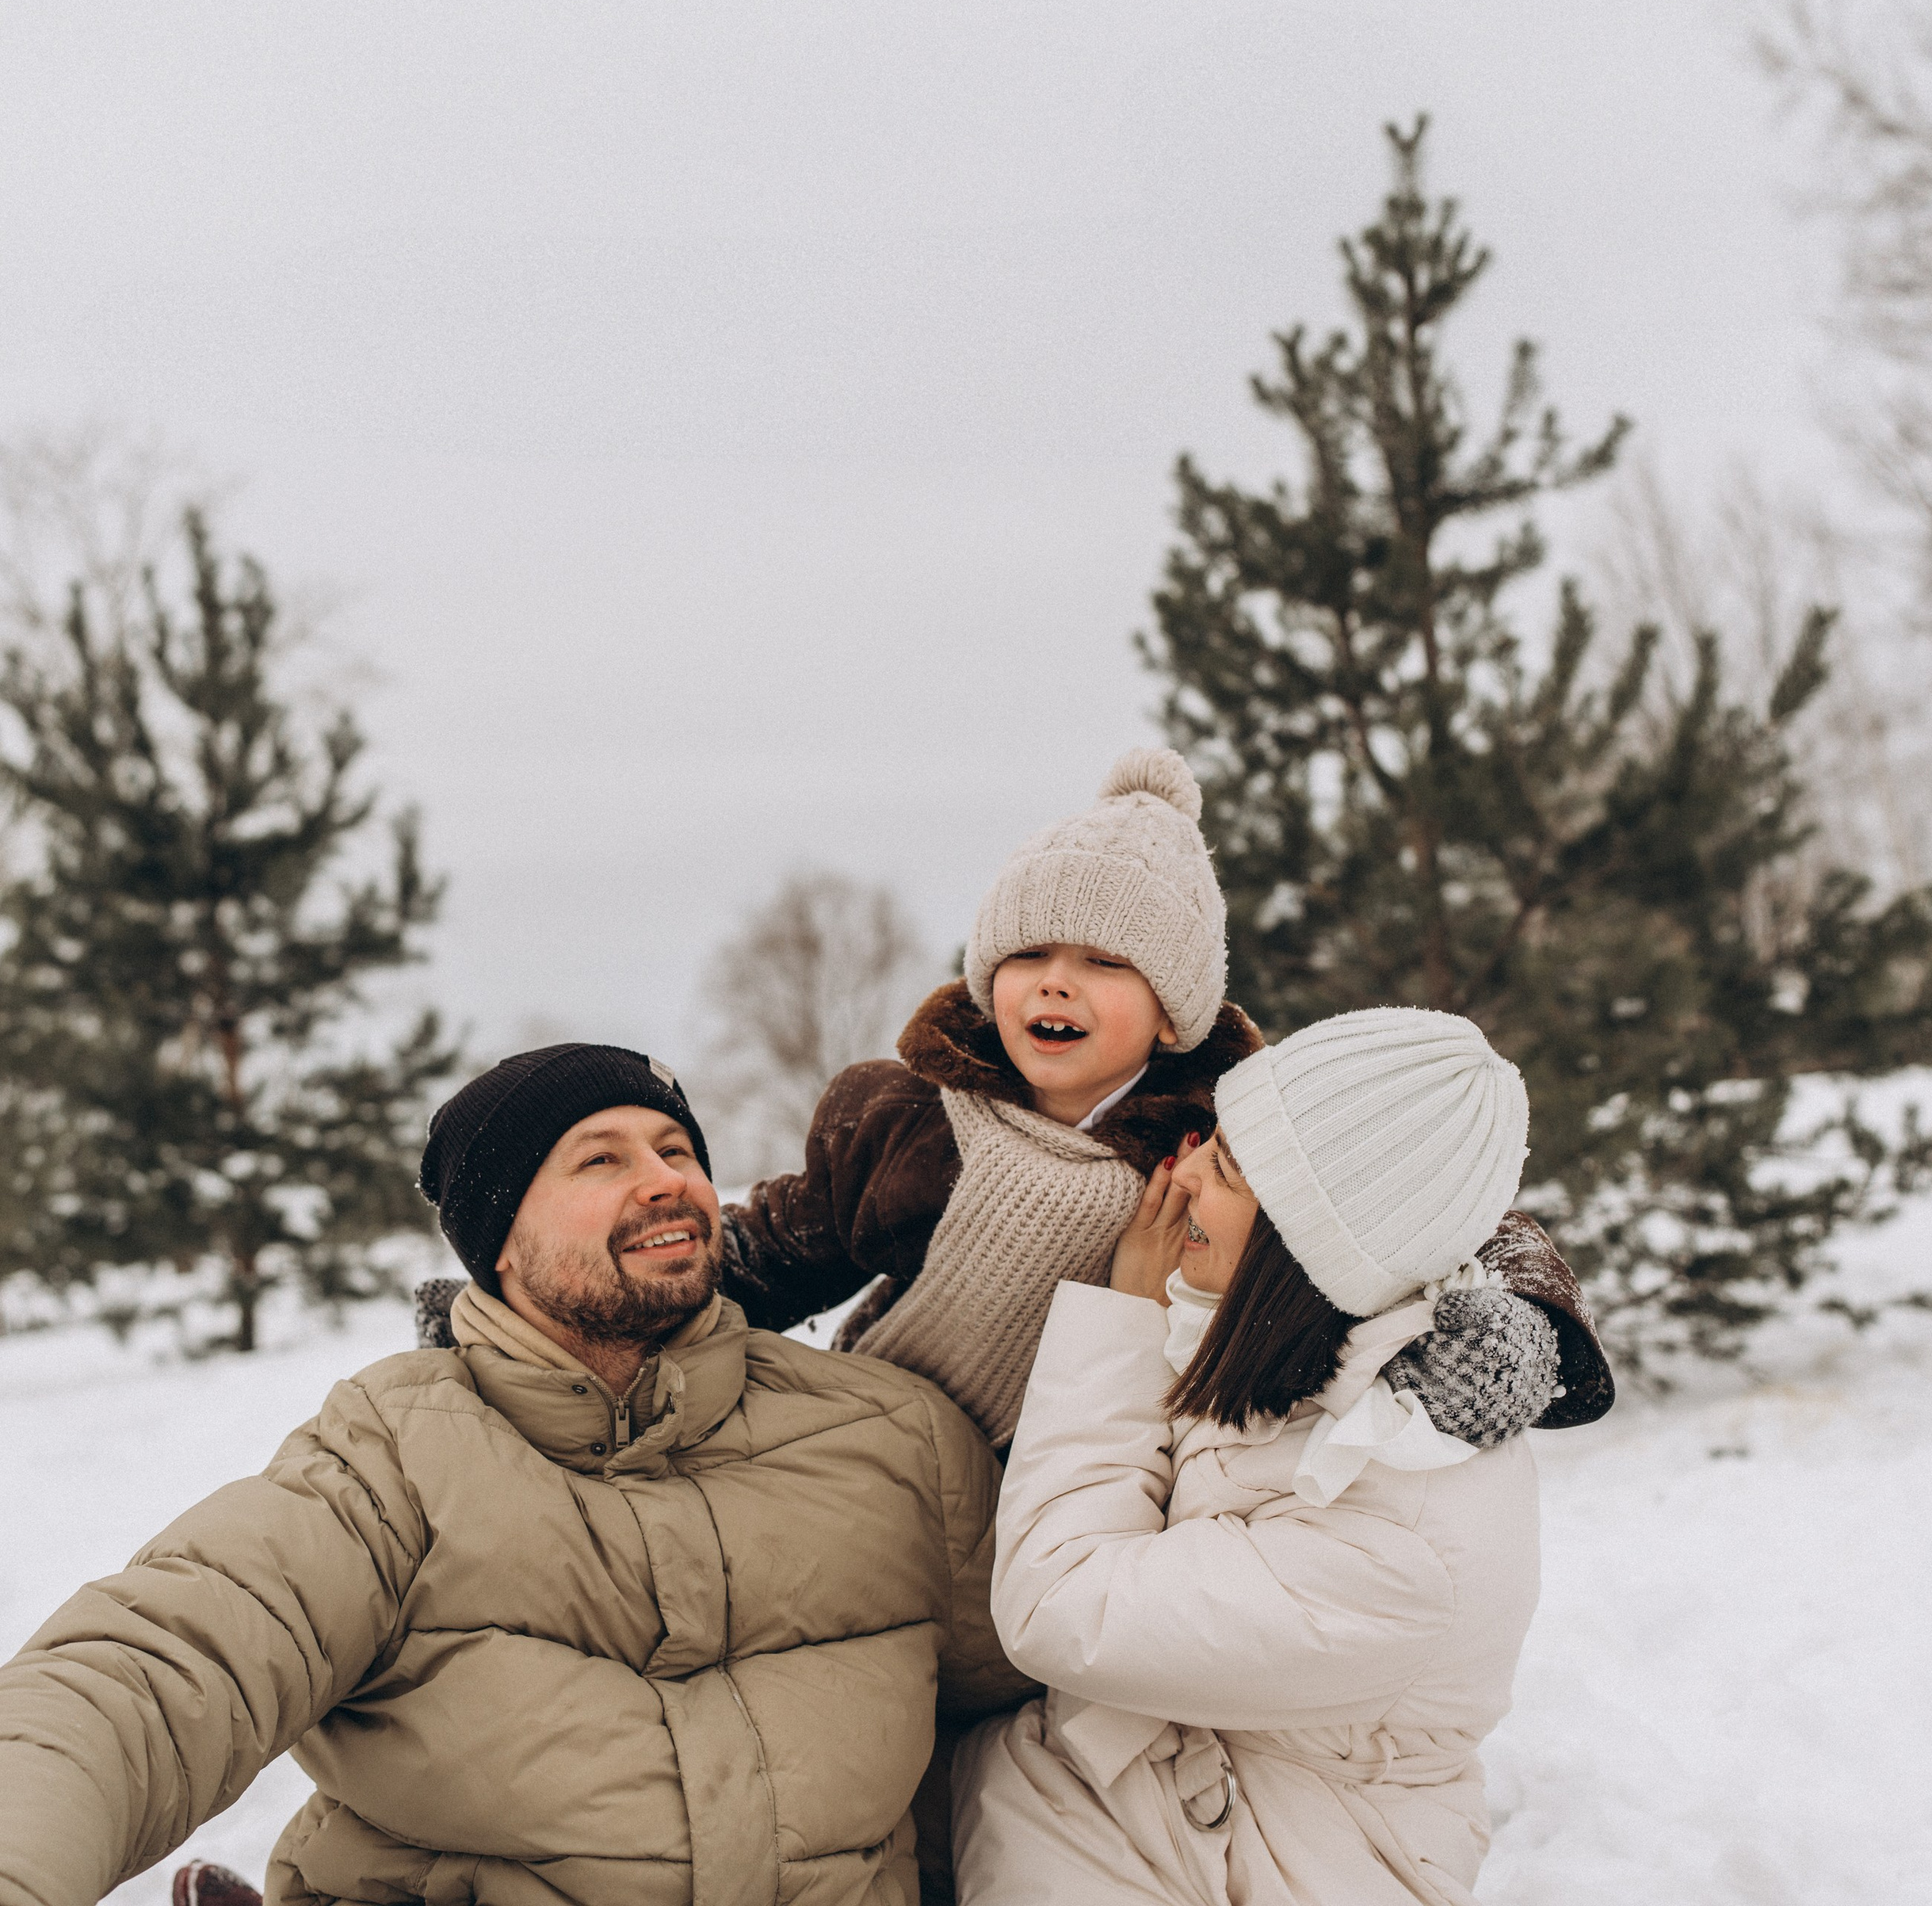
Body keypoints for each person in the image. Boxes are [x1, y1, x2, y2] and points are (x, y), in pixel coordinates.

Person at [0, 1043, 1029, 1906]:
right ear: (501, 1237)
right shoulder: (398, 1453)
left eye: (677, 1149)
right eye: (600, 1159)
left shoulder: (894, 1441)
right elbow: (157, 1670)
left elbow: (1069, 1706)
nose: (666, 1176)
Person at [714, 749, 1610, 1453]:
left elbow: (1434, 1200)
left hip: (1076, 1475)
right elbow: (776, 1252)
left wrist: (1515, 1321)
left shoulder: (1227, 1134)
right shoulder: (914, 1115)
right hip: (874, 1435)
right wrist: (651, 1279)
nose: (1055, 985)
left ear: (1173, 1012)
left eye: (1104, 963)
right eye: (1027, 956)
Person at [952, 1006, 1555, 1904]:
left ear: (1306, 1246)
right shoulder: (1322, 1351)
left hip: (1265, 1861)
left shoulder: (1398, 1536)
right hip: (1133, 1798)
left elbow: (1058, 1603)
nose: (1185, 1170)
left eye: (1225, 1166)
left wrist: (1122, 1318)